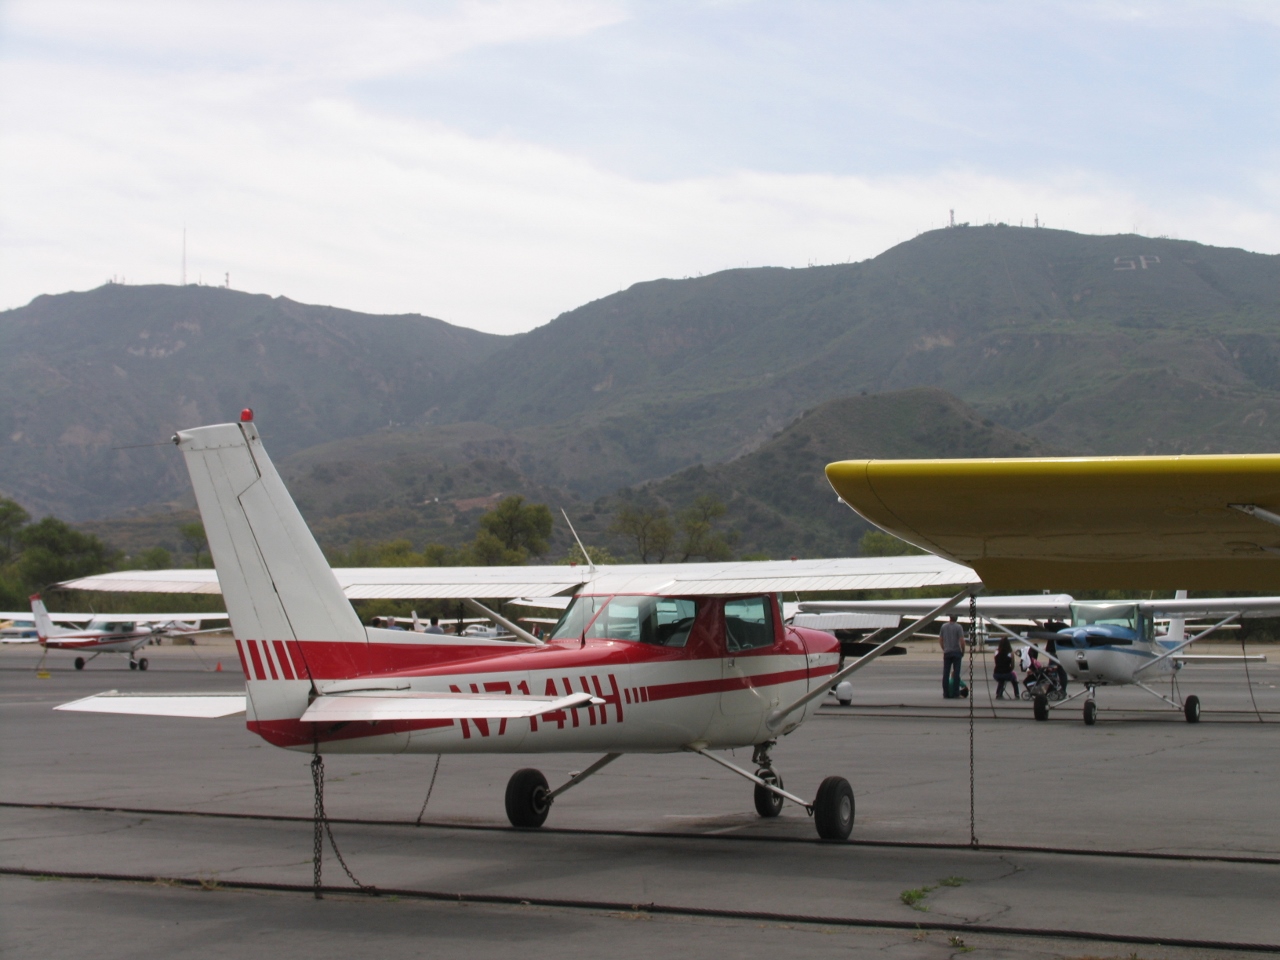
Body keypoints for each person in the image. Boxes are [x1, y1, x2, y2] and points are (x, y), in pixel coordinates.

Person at [939, 614, 966, 699]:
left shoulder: (944, 626)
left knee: (946, 673)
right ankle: (956, 693)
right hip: (956, 652)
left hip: (947, 652)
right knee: (956, 673)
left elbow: (940, 639)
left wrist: (944, 648)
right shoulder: (959, 627)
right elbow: (962, 640)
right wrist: (963, 651)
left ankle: (945, 693)